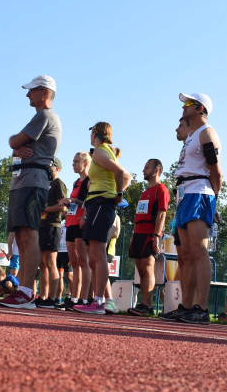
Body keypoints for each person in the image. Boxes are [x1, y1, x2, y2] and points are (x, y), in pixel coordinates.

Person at [0, 75, 62, 309]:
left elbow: (14, 141)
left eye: (32, 90)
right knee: (23, 236)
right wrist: (15, 146)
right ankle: (24, 290)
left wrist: (16, 145)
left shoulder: (44, 116)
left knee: (29, 233)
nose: (28, 95)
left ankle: (26, 292)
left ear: (44, 92)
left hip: (33, 180)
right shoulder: (41, 117)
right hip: (25, 179)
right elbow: (14, 144)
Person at [159, 93, 222, 325]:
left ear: (199, 108)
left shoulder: (207, 133)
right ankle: (186, 307)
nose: (183, 108)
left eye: (187, 104)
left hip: (199, 192)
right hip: (185, 194)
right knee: (185, 254)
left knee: (198, 251)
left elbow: (216, 171)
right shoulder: (191, 136)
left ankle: (201, 308)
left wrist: (213, 200)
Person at [75, 123, 130, 314]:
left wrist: (119, 195)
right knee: (93, 257)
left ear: (95, 133)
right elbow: (126, 175)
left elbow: (122, 174)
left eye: (91, 132)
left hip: (102, 203)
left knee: (98, 256)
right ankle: (99, 300)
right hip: (97, 204)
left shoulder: (99, 152)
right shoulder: (104, 152)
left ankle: (99, 302)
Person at [129, 158, 170, 316]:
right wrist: (133, 234)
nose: (143, 170)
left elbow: (162, 214)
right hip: (138, 232)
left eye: (146, 168)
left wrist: (156, 236)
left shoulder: (161, 190)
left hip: (149, 233)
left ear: (156, 170)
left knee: (147, 268)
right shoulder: (144, 192)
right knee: (140, 269)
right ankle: (143, 304)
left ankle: (147, 304)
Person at [60, 151, 92, 311]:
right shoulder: (75, 182)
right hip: (70, 222)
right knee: (73, 263)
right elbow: (75, 202)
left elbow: (88, 202)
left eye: (76, 162)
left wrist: (73, 200)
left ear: (86, 163)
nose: (73, 164)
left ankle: (84, 298)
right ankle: (73, 297)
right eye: (73, 162)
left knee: (82, 262)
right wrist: (67, 203)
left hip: (81, 223)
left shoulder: (89, 181)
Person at [36, 158, 68, 308]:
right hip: (42, 226)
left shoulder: (59, 184)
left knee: (50, 262)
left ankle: (52, 297)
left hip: (52, 226)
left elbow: (63, 208)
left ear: (57, 168)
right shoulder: (45, 184)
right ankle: (43, 296)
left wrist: (46, 209)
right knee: (42, 263)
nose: (48, 169)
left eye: (51, 166)